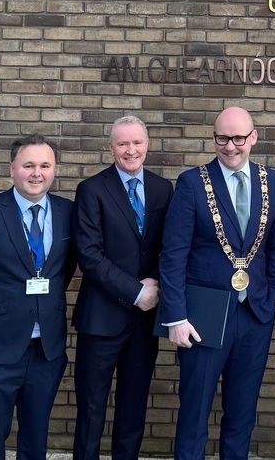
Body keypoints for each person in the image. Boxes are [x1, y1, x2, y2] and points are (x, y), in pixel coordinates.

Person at [158, 106, 275, 460]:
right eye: (222, 138)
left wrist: (272, 296)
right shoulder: (191, 182)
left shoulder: (270, 180)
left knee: (242, 414)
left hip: (254, 315)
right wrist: (176, 317)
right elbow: (173, 255)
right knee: (194, 413)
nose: (230, 147)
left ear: (253, 138)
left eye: (238, 138)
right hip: (203, 320)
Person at [0, 134, 77, 460]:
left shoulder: (69, 213)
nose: (37, 173)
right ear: (12, 169)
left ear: (54, 169)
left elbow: (64, 271)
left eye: (45, 165)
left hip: (46, 352)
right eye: (29, 165)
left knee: (35, 443)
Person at [71, 116, 173, 459]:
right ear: (110, 148)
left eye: (137, 143)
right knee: (91, 410)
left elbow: (169, 247)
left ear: (147, 144)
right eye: (123, 144)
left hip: (144, 323)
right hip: (101, 319)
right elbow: (88, 254)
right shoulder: (91, 189)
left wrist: (155, 283)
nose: (131, 150)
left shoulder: (162, 189)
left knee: (133, 409)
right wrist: (135, 292)